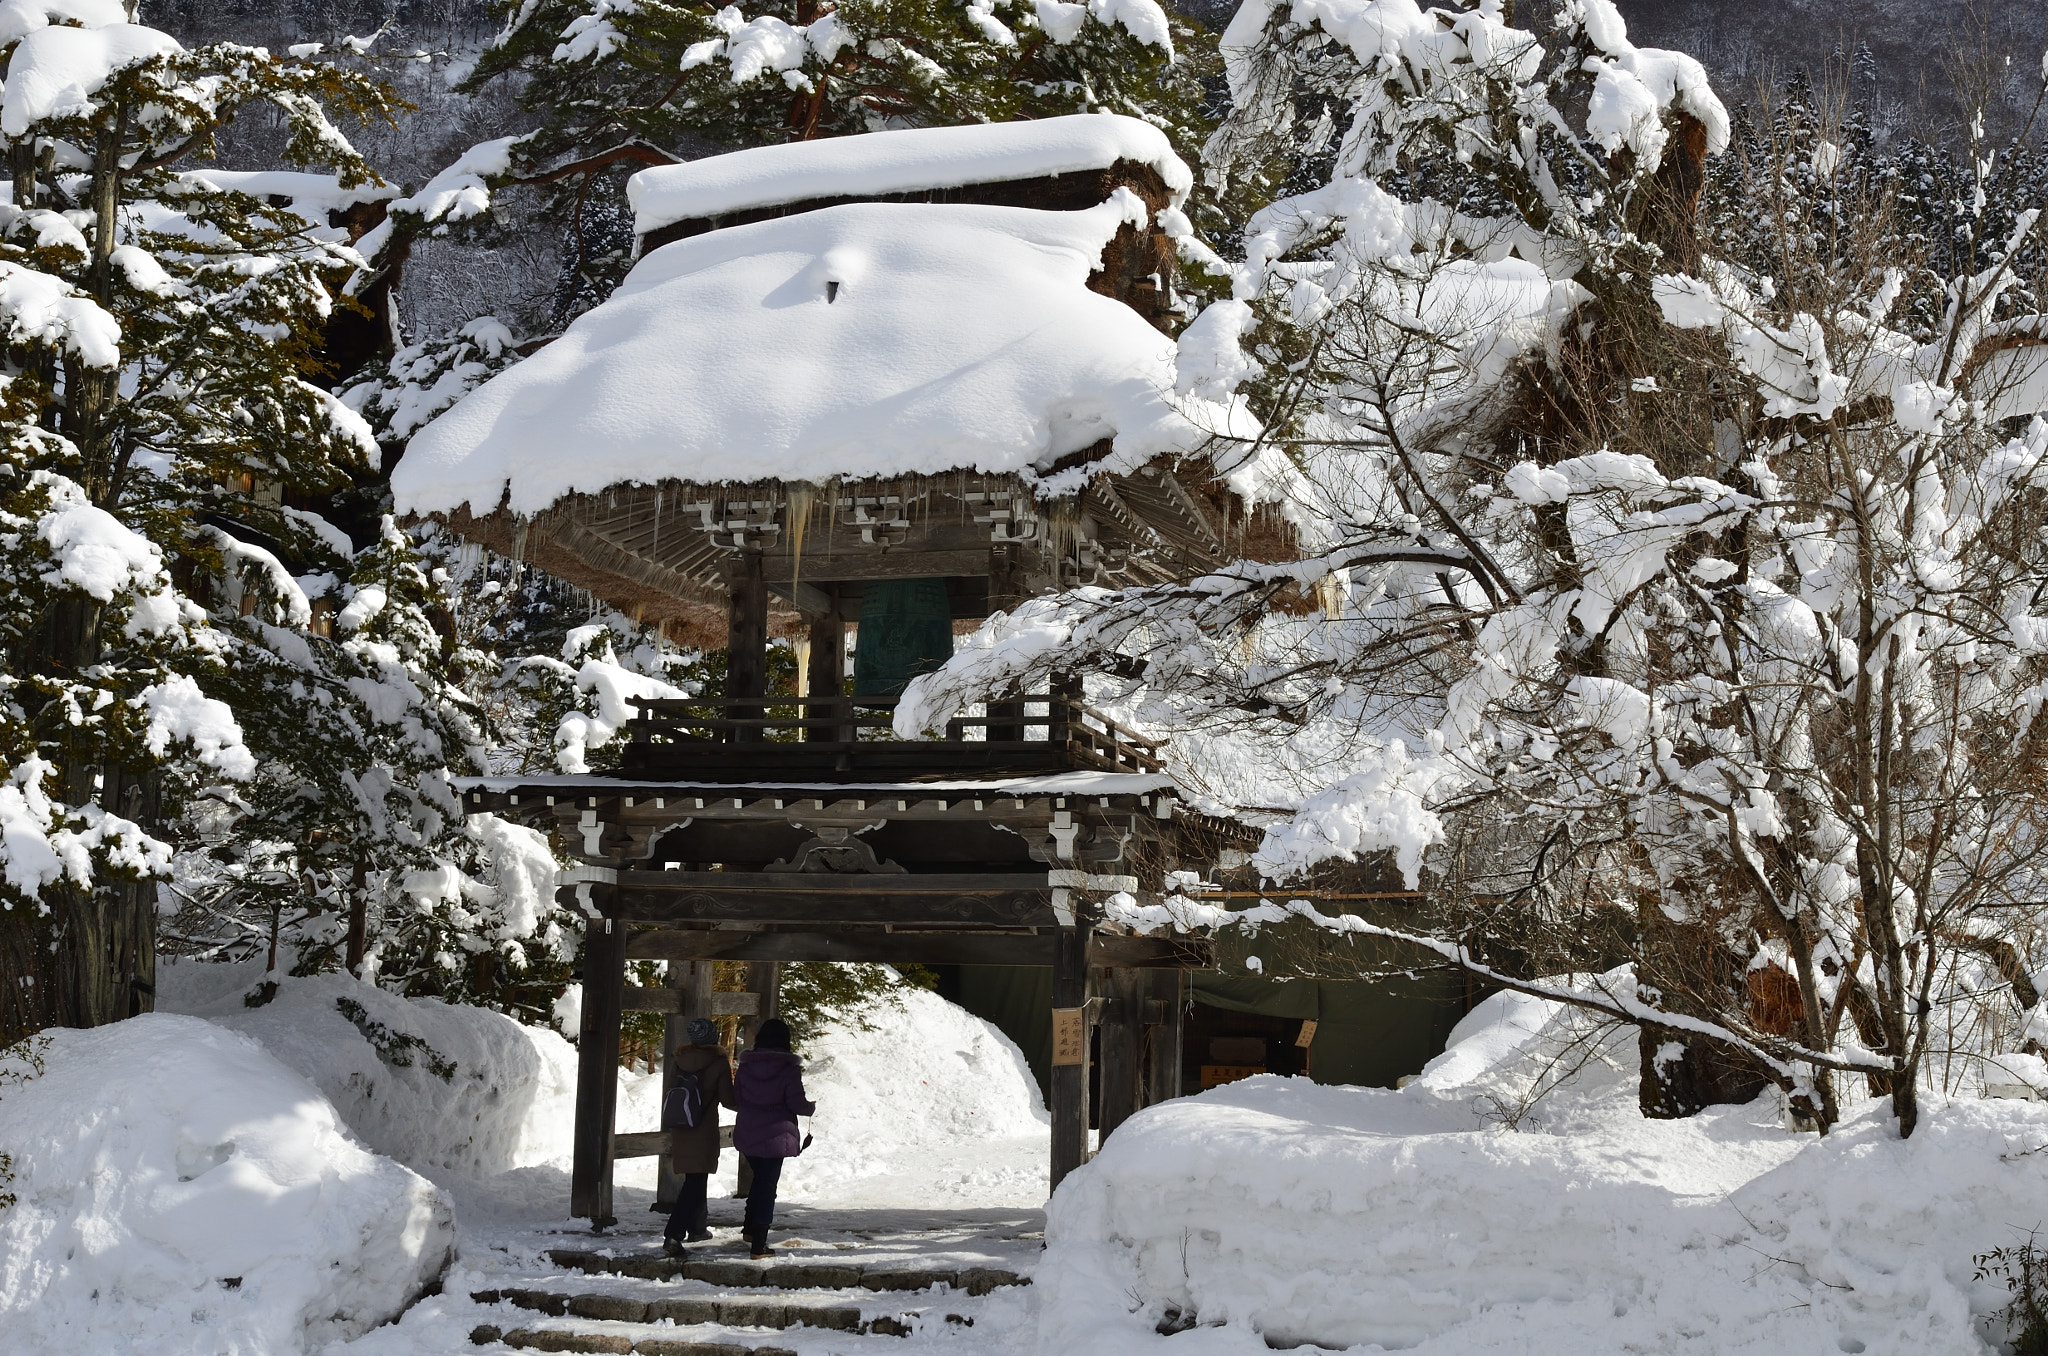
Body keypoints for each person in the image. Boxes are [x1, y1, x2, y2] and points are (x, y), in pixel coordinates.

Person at [731, 1017, 814, 1259]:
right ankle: (759, 1244)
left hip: (749, 1133)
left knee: (760, 1180)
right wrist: (810, 1108)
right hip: (776, 1136)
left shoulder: (746, 1067)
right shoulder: (788, 1069)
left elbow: (738, 1098)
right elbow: (796, 1103)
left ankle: (749, 1229)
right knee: (768, 1187)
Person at [663, 1017, 735, 1258]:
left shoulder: (680, 1059)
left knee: (696, 1178)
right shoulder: (718, 1062)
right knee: (694, 1182)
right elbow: (728, 1100)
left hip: (681, 1126)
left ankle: (698, 1228)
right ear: (713, 1037)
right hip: (703, 1128)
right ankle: (673, 1233)